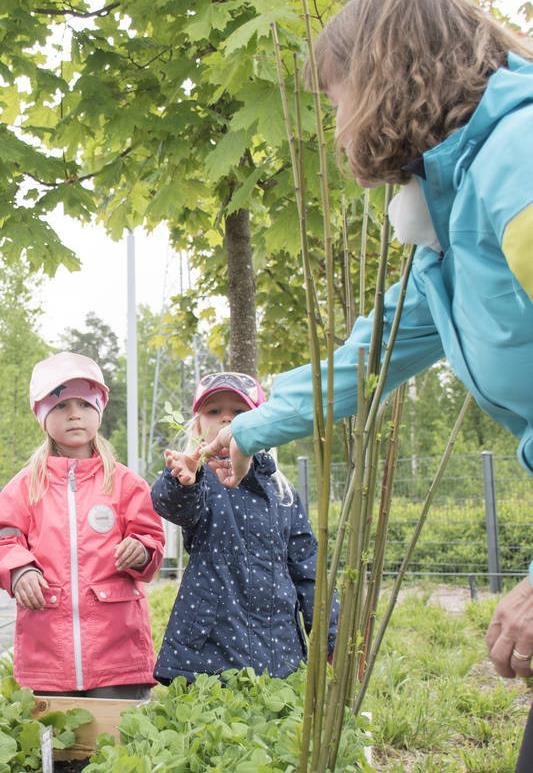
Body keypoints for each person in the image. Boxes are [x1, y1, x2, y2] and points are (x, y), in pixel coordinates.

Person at [200, 0, 533, 766]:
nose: (337, 123)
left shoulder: (517, 164)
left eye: (336, 98)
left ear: (385, 74)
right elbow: (366, 355)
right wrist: (242, 429)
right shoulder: (444, 213)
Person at [150, 371, 337, 684]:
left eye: (239, 412)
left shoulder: (283, 491)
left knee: (271, 723)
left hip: (278, 645)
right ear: (198, 426)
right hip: (210, 645)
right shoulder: (199, 480)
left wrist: (331, 634)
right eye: (214, 412)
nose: (227, 420)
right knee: (212, 726)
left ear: (263, 424)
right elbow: (173, 505)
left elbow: (307, 568)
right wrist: (182, 481)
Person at [0, 351, 165, 699]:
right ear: (42, 415)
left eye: (85, 405)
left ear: (99, 412)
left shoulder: (125, 483)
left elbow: (150, 536)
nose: (74, 414)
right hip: (47, 657)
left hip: (118, 654)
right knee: (59, 748)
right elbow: (5, 538)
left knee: (119, 746)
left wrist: (142, 550)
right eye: (60, 406)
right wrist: (19, 570)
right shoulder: (25, 486)